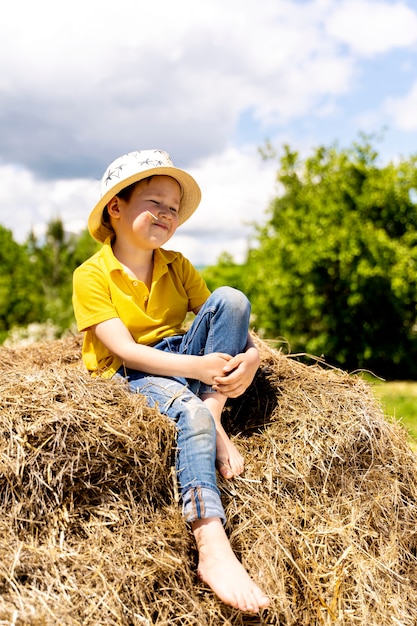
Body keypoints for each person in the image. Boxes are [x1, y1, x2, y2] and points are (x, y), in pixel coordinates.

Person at [72, 149, 270, 614]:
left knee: (233, 299)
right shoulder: (91, 275)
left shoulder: (176, 264)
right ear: (115, 208)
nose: (166, 214)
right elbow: (124, 350)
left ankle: (216, 420)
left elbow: (228, 321)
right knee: (190, 414)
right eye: (154, 202)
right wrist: (201, 371)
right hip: (126, 371)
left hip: (178, 355)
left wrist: (254, 358)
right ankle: (211, 542)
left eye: (173, 208)